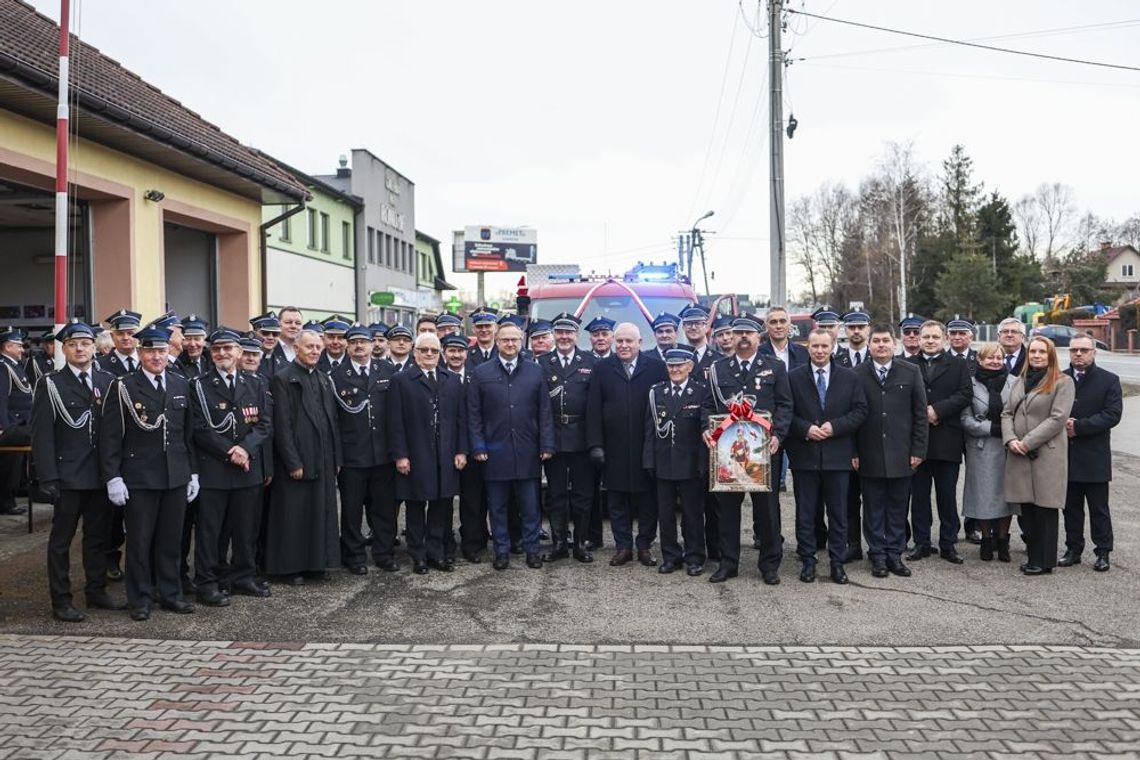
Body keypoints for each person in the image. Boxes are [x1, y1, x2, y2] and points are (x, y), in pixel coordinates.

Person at [99, 326, 199, 621]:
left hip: (175, 475)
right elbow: (110, 437)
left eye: (161, 351)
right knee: (140, 542)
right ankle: (140, 599)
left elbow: (187, 435)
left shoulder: (181, 384)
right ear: (140, 353)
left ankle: (170, 594)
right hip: (139, 477)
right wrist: (112, 477)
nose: (156, 357)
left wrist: (192, 472)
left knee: (172, 540)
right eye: (150, 351)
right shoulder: (124, 387)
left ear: (169, 353)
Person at [31, 320, 122, 621]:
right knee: (61, 542)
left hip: (100, 476)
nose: (80, 348)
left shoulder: (109, 381)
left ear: (95, 347)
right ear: (64, 349)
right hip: (67, 477)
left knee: (97, 538)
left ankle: (96, 591)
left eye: (85, 343)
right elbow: (42, 435)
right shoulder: (51, 383)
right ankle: (61, 600)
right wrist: (48, 477)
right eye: (72, 344)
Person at [700, 314, 792, 584]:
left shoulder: (774, 367)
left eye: (748, 333)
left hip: (764, 449)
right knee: (727, 510)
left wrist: (779, 435)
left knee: (767, 509)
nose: (742, 337)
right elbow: (707, 406)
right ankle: (729, 563)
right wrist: (707, 427)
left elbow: (785, 405)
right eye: (737, 332)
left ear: (758, 337)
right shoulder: (718, 369)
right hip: (729, 450)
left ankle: (769, 564)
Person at [190, 328, 273, 605]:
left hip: (247, 468)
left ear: (239, 352)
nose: (222, 354)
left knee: (246, 528)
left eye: (228, 349)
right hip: (215, 469)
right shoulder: (199, 385)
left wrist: (245, 449)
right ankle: (208, 581)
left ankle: (243, 576)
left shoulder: (256, 383)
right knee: (210, 532)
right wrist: (230, 451)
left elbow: (264, 425)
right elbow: (200, 429)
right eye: (216, 349)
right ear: (210, 353)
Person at [469, 324, 554, 570]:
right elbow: (474, 414)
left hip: (528, 450)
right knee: (497, 507)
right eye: (505, 340)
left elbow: (544, 411)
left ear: (521, 342)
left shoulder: (535, 372)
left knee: (530, 506)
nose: (510, 344)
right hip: (494, 452)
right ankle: (502, 551)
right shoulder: (481, 372)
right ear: (496, 342)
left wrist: (546, 444)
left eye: (514, 340)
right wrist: (477, 446)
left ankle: (532, 551)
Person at [786, 329, 867, 585]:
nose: (819, 351)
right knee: (806, 513)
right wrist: (805, 429)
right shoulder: (793, 377)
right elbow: (785, 411)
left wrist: (835, 426)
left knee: (838, 513)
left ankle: (837, 563)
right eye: (814, 346)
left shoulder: (849, 377)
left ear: (833, 347)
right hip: (805, 455)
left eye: (824, 346)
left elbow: (860, 410)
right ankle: (808, 561)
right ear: (807, 347)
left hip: (837, 456)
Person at [265, 329, 342, 585]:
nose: (314, 351)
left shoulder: (322, 378)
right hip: (297, 460)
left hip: (322, 458)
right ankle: (290, 568)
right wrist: (293, 461)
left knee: (319, 512)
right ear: (296, 348)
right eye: (309, 346)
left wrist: (336, 458)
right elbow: (282, 425)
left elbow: (332, 421)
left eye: (317, 347)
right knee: (294, 515)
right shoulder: (283, 378)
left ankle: (315, 563)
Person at [587, 322, 667, 568]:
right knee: (616, 500)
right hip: (614, 447)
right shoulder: (602, 369)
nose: (623, 345)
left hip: (647, 446)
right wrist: (595, 444)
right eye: (619, 341)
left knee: (647, 500)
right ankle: (623, 546)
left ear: (640, 343)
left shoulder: (656, 368)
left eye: (628, 341)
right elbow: (593, 409)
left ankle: (644, 545)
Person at [853, 323, 927, 579]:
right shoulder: (857, 374)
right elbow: (851, 416)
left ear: (894, 344)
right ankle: (877, 555)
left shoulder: (911, 371)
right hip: (868, 452)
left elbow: (920, 415)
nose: (881, 345)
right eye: (876, 341)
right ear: (869, 345)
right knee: (873, 508)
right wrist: (854, 451)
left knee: (897, 507)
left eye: (886, 341)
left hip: (902, 453)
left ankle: (895, 554)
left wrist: (918, 449)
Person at [389, 332, 468, 573]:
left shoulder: (452, 380)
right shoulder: (402, 380)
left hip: (445, 455)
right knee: (415, 506)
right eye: (424, 350)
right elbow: (395, 421)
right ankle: (418, 555)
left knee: (440, 507)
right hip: (416, 454)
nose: (430, 355)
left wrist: (461, 451)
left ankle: (436, 553)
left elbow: (461, 419)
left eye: (434, 351)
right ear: (415, 353)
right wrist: (400, 455)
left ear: (440, 354)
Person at [1002, 335, 1075, 576]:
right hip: (1019, 453)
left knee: (1045, 509)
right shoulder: (1019, 381)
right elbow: (1006, 413)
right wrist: (1011, 439)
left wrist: (1027, 441)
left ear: (1050, 355)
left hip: (1046, 454)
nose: (1036, 356)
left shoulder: (1063, 382)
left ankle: (1044, 561)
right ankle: (1033, 556)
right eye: (1033, 351)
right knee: (1028, 509)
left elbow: (1058, 418)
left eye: (1042, 352)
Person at [329, 323, 398, 574]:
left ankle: (384, 553)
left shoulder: (387, 370)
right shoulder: (336, 376)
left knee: (383, 509)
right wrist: (337, 456)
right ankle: (354, 556)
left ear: (372, 344)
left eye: (364, 342)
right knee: (351, 510)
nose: (359, 346)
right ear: (348, 346)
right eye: (354, 342)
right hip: (352, 455)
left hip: (383, 454)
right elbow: (333, 422)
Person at [905, 320, 972, 564]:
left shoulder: (958, 364)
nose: (930, 341)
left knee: (946, 495)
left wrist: (938, 411)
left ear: (943, 339)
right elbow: (901, 397)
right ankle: (921, 543)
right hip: (917, 441)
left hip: (947, 439)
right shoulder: (907, 364)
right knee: (919, 495)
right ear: (918, 340)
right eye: (926, 337)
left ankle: (948, 543)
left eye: (935, 337)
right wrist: (924, 412)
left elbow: (965, 394)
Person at [1059, 334, 1122, 572]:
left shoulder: (1109, 380)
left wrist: (1079, 426)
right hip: (1065, 456)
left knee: (1099, 509)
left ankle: (1103, 551)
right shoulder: (1059, 378)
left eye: (1084, 350)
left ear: (1093, 353)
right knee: (1071, 508)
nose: (1078, 354)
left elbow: (1112, 414)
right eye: (1074, 350)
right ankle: (1073, 549)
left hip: (1094, 456)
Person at [643, 348, 708, 575]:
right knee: (666, 515)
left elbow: (705, 431)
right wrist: (649, 461)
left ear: (690, 366)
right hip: (664, 463)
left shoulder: (700, 392)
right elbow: (650, 430)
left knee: (692, 514)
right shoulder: (656, 392)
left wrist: (703, 464)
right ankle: (671, 556)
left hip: (691, 464)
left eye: (680, 365)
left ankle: (694, 557)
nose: (675, 369)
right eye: (671, 365)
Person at [541, 313, 597, 563]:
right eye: (560, 332)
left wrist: (595, 442)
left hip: (582, 438)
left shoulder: (591, 362)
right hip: (553, 436)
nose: (564, 337)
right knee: (555, 494)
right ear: (554, 335)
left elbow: (596, 406)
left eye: (569, 332)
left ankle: (581, 544)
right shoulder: (542, 362)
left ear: (577, 335)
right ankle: (559, 543)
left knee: (583, 495)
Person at [960, 343, 1018, 562]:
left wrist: (1006, 431)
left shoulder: (1015, 382)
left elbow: (1021, 414)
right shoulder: (970, 385)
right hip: (981, 447)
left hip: (1008, 446)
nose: (995, 361)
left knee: (1007, 496)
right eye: (990, 358)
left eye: (999, 357)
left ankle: (1003, 541)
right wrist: (989, 428)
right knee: (983, 495)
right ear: (980, 360)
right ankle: (985, 539)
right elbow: (965, 419)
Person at [443, 333, 489, 563]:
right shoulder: (437, 377)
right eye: (451, 350)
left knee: (472, 500)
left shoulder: (476, 377)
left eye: (460, 351)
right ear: (444, 353)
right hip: (443, 449)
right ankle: (445, 543)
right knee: (443, 501)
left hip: (471, 449)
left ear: (466, 353)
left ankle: (472, 543)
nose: (456, 355)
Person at [0, 327, 33, 516]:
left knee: (14, 467)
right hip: (12, 426)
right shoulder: (3, 367)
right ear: (7, 346)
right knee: (8, 467)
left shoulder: (13, 365)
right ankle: (6, 503)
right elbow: (1, 399)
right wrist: (3, 427)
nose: (22, 350)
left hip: (20, 424)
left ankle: (8, 501)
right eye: (18, 346)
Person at [96, 309, 142, 377]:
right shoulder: (99, 364)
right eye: (120, 334)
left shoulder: (149, 359)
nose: (125, 338)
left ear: (138, 335)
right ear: (112, 337)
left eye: (130, 333)